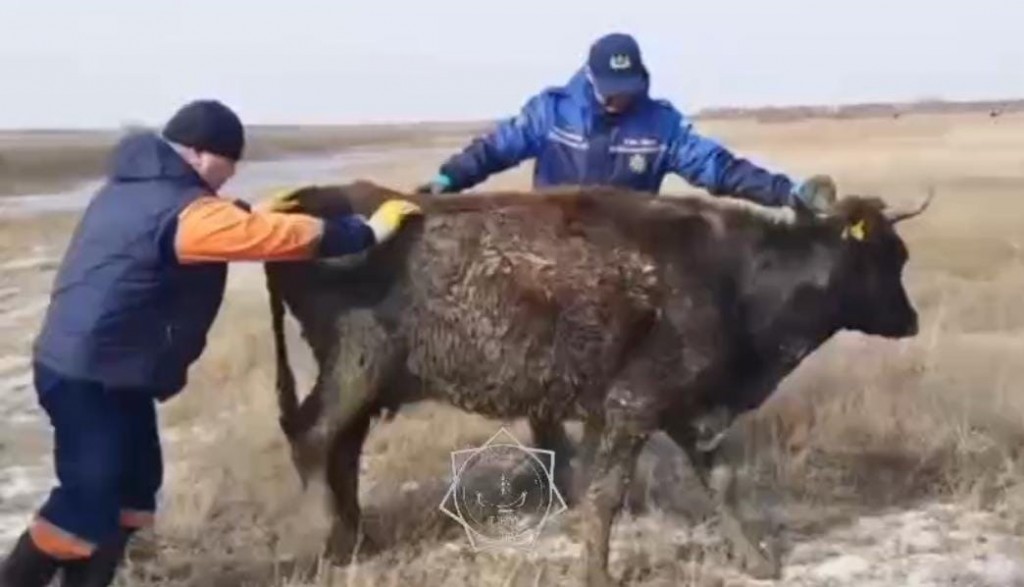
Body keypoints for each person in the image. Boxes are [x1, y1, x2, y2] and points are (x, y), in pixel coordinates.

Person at [0, 99, 422, 587]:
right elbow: (263, 237)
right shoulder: (180, 210)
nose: (232, 172)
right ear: (199, 153)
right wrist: (363, 232)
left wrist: (246, 213)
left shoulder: (134, 188)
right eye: (229, 161)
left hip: (110, 370)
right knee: (87, 500)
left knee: (132, 493)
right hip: (89, 375)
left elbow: (199, 224)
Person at [416, 32, 836, 211]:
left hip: (627, 257)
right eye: (611, 89)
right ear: (590, 78)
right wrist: (448, 179)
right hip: (550, 250)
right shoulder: (551, 112)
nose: (620, 98)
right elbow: (495, 149)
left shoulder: (662, 127)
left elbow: (720, 170)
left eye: (628, 88)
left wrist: (788, 193)